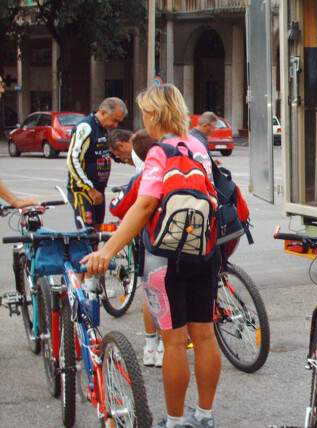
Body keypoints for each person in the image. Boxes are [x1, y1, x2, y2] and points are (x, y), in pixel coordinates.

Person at [82, 84, 219, 428]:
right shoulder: (199, 147)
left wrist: (108, 249)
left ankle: (173, 422)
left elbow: (144, 205)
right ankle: (204, 416)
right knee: (204, 336)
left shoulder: (159, 153)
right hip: (205, 250)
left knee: (174, 341)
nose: (143, 117)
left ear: (155, 114)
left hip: (166, 256)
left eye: (145, 111)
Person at [109, 129, 165, 368]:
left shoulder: (146, 170)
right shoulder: (181, 154)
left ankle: (152, 345)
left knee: (152, 291)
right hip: (185, 239)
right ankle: (166, 343)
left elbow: (121, 207)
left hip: (154, 240)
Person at [66, 97, 127, 229]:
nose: (115, 125)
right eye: (114, 120)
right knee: (87, 235)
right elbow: (72, 159)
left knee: (98, 231)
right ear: (103, 112)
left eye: (119, 122)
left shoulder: (104, 129)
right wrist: (90, 189)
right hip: (84, 192)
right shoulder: (86, 127)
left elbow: (106, 152)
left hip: (99, 191)